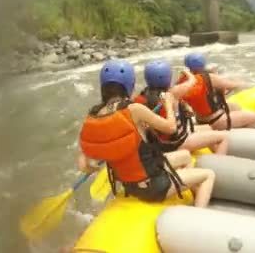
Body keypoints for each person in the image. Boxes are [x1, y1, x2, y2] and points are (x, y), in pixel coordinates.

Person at [77, 60, 215, 206]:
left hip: (130, 185)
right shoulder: (134, 109)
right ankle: (199, 215)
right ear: (129, 85)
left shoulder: (94, 116)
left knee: (185, 156)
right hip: (154, 186)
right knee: (208, 175)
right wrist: (168, 102)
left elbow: (84, 164)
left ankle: (190, 194)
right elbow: (171, 128)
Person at [134, 60, 229, 155]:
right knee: (224, 137)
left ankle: (211, 153)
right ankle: (219, 163)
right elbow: (193, 81)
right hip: (177, 143)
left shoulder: (140, 99)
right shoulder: (173, 92)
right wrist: (187, 73)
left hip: (160, 144)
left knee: (207, 128)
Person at [178, 52, 255, 130]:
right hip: (216, 121)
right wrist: (241, 81)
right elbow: (233, 85)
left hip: (200, 119)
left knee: (234, 106)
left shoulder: (183, 79)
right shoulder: (210, 78)